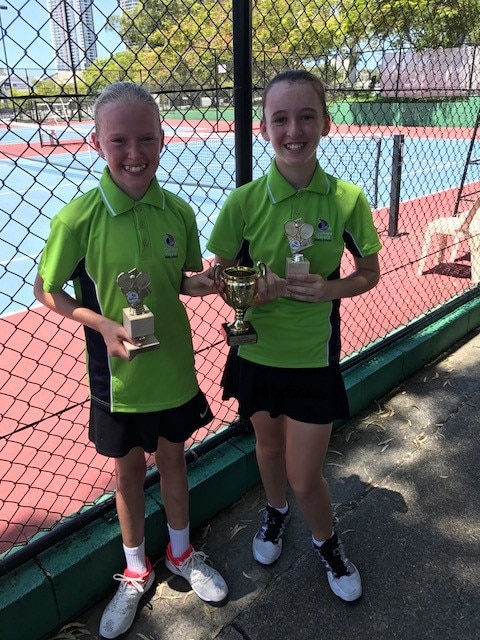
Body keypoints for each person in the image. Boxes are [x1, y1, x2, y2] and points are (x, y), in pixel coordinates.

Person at [33, 81, 228, 639]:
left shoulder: (180, 211)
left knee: (174, 462)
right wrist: (102, 325)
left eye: (146, 138)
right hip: (118, 380)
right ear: (97, 142)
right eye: (120, 140)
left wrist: (215, 283)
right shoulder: (79, 218)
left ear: (163, 140)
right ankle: (136, 569)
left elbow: (186, 281)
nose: (135, 152)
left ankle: (182, 554)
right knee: (126, 477)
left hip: (173, 369)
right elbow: (48, 290)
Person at [207, 70, 381, 603]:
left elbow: (369, 272)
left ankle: (327, 543)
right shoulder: (242, 204)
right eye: (280, 118)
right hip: (256, 351)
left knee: (307, 476)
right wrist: (248, 294)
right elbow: (220, 279)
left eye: (306, 115)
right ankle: (274, 512)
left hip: (311, 359)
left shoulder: (348, 200)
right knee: (267, 444)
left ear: (326, 123)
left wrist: (330, 290)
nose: (294, 129)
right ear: (263, 129)